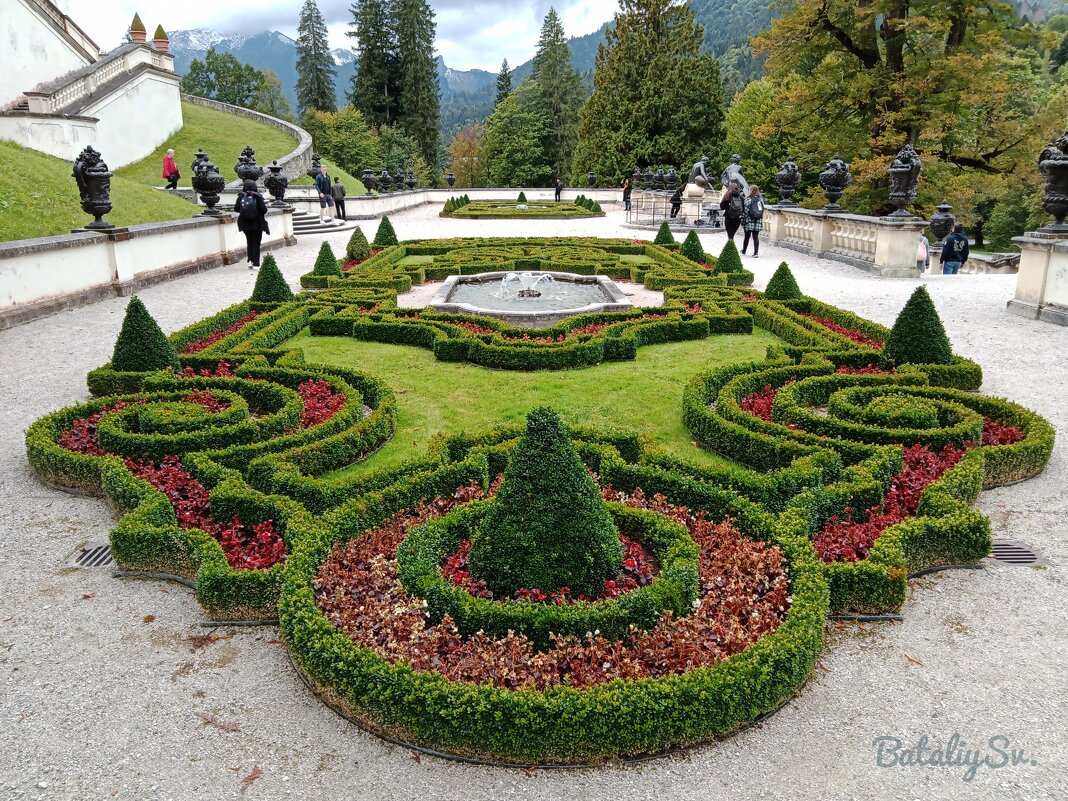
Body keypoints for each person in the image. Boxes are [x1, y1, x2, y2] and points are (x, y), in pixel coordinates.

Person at [235, 180, 269, 270]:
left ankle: (250, 261)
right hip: (257, 223)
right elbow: (264, 210)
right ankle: (256, 263)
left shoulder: (241, 196)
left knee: (249, 242)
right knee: (256, 243)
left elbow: (236, 209)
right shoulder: (257, 196)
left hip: (245, 223)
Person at [741, 185, 765, 257]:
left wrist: (742, 222)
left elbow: (745, 212)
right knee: (755, 237)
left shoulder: (748, 200)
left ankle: (744, 251)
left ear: (751, 191)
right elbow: (762, 211)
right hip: (758, 220)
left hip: (749, 221)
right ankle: (756, 253)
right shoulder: (760, 200)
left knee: (747, 236)